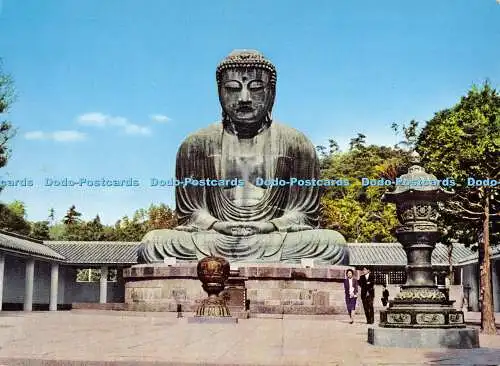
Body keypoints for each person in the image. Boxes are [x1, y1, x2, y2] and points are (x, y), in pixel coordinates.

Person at [137, 49, 347, 264]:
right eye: (232, 89)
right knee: (154, 243)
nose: (244, 98)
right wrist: (216, 225)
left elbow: (304, 213)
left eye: (256, 88)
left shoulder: (296, 143)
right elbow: (190, 213)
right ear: (219, 92)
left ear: (271, 93)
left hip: (273, 237)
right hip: (215, 236)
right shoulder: (195, 144)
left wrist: (271, 225)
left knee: (333, 244)